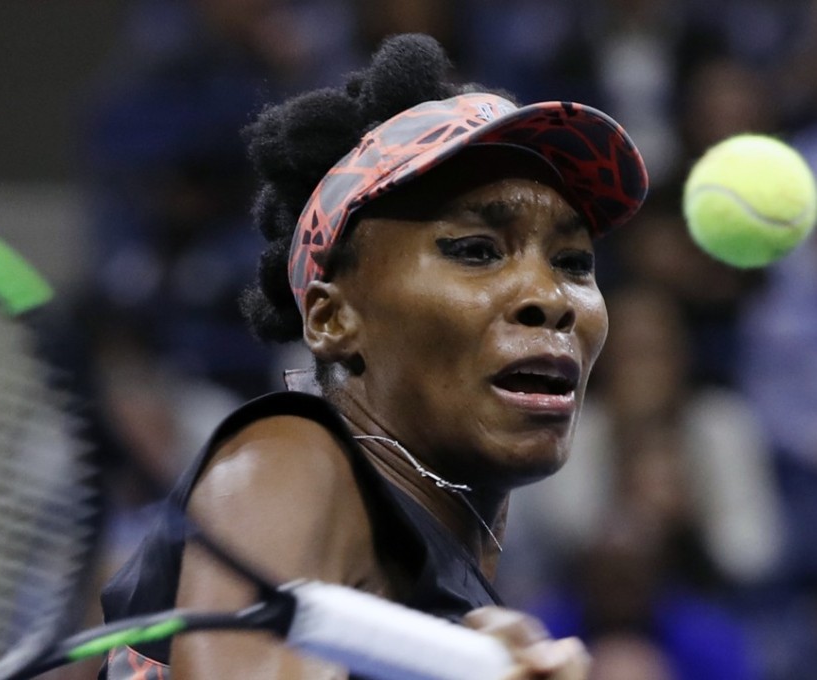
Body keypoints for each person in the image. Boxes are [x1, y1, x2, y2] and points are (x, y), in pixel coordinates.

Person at [99, 33, 648, 679]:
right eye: (475, 250)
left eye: (573, 263)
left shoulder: (438, 561)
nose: (549, 298)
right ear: (333, 319)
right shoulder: (291, 458)